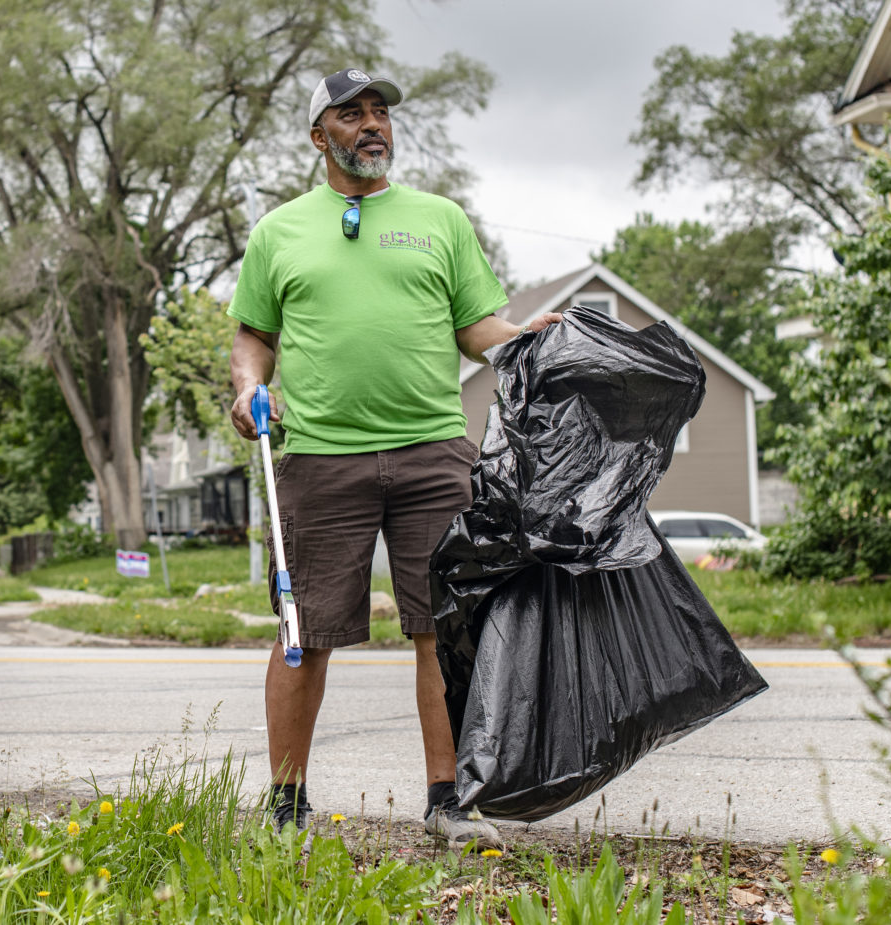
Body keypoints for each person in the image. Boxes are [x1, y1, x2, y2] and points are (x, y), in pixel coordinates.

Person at [226, 67, 561, 849]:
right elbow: (253, 334)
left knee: (442, 630)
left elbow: (477, 328)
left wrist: (525, 337)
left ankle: (450, 799)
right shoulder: (279, 231)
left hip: (432, 450)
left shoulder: (439, 220)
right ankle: (285, 807)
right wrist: (249, 388)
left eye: (379, 112)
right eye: (351, 114)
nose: (372, 124)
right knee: (301, 629)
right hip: (318, 454)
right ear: (320, 136)